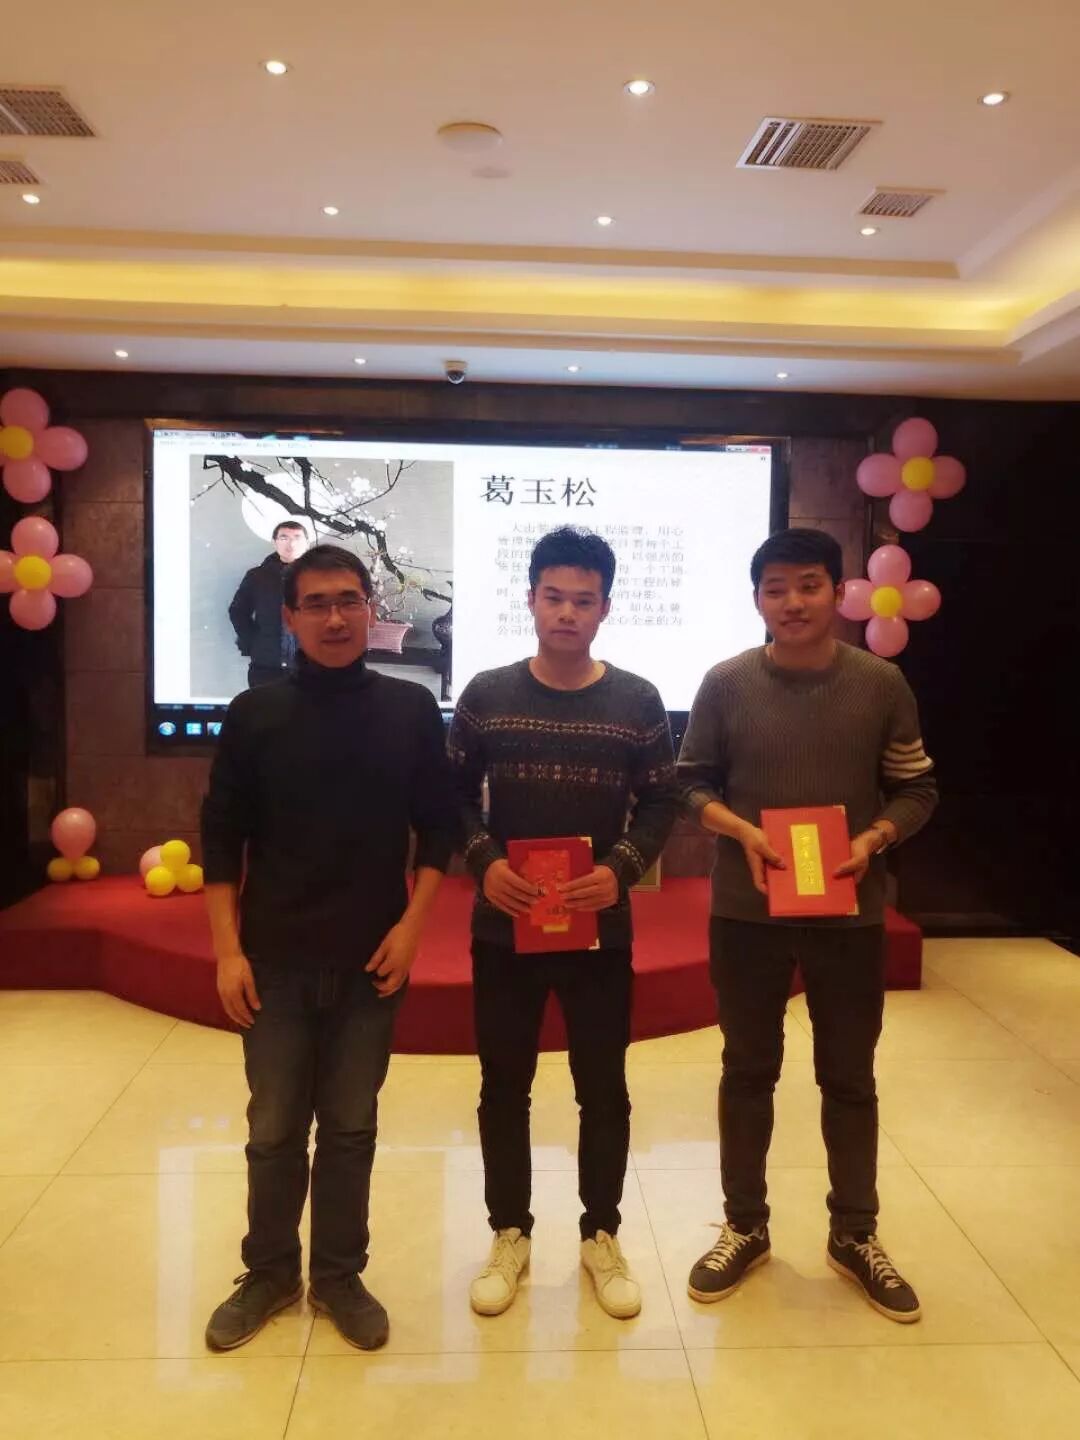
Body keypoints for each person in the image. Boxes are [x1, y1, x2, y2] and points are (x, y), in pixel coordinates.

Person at [201, 543, 459, 1353]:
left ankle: (340, 1276)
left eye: (349, 600)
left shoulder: (410, 710)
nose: (336, 617)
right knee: (274, 1129)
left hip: (370, 963)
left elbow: (440, 830)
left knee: (350, 1129)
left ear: (369, 609)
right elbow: (221, 840)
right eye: (316, 603)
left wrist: (413, 929)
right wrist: (227, 953)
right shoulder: (255, 714)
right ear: (289, 617)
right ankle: (271, 1271)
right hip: (273, 960)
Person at [676, 527, 937, 1323]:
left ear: (839, 592)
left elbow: (917, 790)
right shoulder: (726, 684)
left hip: (849, 913)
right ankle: (744, 1226)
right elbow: (689, 785)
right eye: (776, 588)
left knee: (849, 1077)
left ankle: (854, 1233)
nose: (793, 602)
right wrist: (740, 830)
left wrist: (872, 839)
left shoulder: (881, 684)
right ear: (757, 599)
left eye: (810, 585)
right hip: (746, 912)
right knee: (747, 1069)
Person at [449, 526, 678, 1321]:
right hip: (504, 925)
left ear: (606, 607)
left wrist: (621, 868)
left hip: (599, 928)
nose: (568, 613)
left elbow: (662, 800)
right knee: (503, 1086)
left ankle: (600, 1233)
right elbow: (449, 796)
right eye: (554, 597)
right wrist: (484, 861)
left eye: (584, 600)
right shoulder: (486, 694)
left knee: (603, 1088)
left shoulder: (638, 700)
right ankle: (509, 1232)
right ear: (531, 599)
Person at [228, 520, 310, 688]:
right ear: (274, 542)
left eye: (297, 537)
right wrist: (254, 642)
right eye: (284, 537)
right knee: (265, 705)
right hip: (267, 666)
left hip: (311, 667)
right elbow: (238, 611)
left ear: (307, 543)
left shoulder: (323, 577)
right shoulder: (257, 576)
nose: (291, 543)